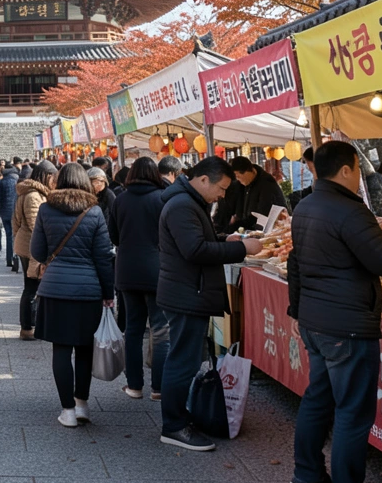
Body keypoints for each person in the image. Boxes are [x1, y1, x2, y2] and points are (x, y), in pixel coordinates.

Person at [288, 140, 382, 483]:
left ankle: (306, 475)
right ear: (345, 170)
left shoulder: (306, 205)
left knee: (318, 399)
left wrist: (296, 310)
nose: (359, 176)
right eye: (357, 168)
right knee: (352, 414)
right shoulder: (350, 210)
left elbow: (296, 263)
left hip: (316, 321)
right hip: (348, 326)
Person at [157, 156, 262, 451]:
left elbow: (199, 239)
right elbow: (194, 250)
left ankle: (178, 419)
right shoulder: (181, 205)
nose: (223, 195)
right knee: (183, 361)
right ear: (204, 180)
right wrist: (241, 248)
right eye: (222, 188)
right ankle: (174, 426)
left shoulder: (189, 202)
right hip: (187, 293)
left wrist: (225, 238)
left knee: (186, 358)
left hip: (191, 291)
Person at [32, 163, 115, 427]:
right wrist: (107, 292)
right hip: (87, 290)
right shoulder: (94, 212)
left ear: (58, 181)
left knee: (61, 349)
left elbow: (37, 251)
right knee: (84, 350)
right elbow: (103, 257)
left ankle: (66, 410)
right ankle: (82, 405)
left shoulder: (46, 209)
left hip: (55, 288)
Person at [107, 157, 169, 402]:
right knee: (160, 329)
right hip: (158, 270)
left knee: (132, 330)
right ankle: (159, 387)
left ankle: (134, 386)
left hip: (127, 270)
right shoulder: (162, 199)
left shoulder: (120, 199)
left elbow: (114, 235)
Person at [12, 161, 57, 340]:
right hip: (32, 247)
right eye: (53, 177)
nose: (55, 181)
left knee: (32, 287)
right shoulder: (33, 195)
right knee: (31, 288)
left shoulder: (33, 193)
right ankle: (28, 327)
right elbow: (35, 224)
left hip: (27, 244)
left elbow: (16, 222)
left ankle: (31, 324)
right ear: (46, 176)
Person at [228, 156, 288, 231]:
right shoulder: (248, 183)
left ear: (246, 171)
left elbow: (262, 215)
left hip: (271, 231)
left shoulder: (266, 184)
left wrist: (237, 225)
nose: (237, 179)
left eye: (238, 176)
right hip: (253, 229)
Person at [0, 159, 21, 270]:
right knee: (14, 235)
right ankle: (15, 257)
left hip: (4, 212)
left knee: (8, 235)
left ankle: (8, 259)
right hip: (15, 211)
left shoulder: (2, 181)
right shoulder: (17, 180)